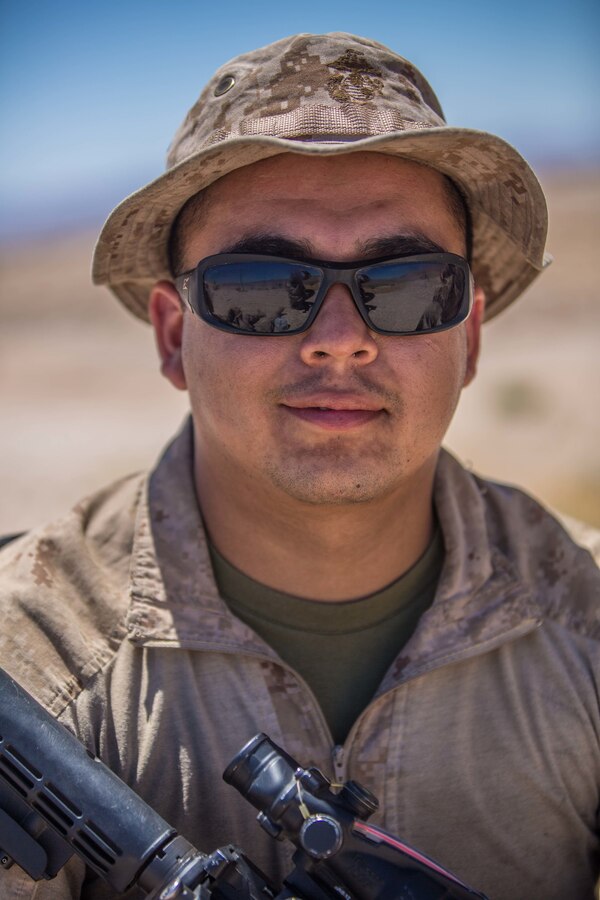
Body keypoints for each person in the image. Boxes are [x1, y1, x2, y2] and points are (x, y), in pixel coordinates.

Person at [0, 32, 598, 900]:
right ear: (175, 338)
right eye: (260, 287)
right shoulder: (33, 659)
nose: (341, 340)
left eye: (404, 286)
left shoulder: (580, 617)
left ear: (466, 338)